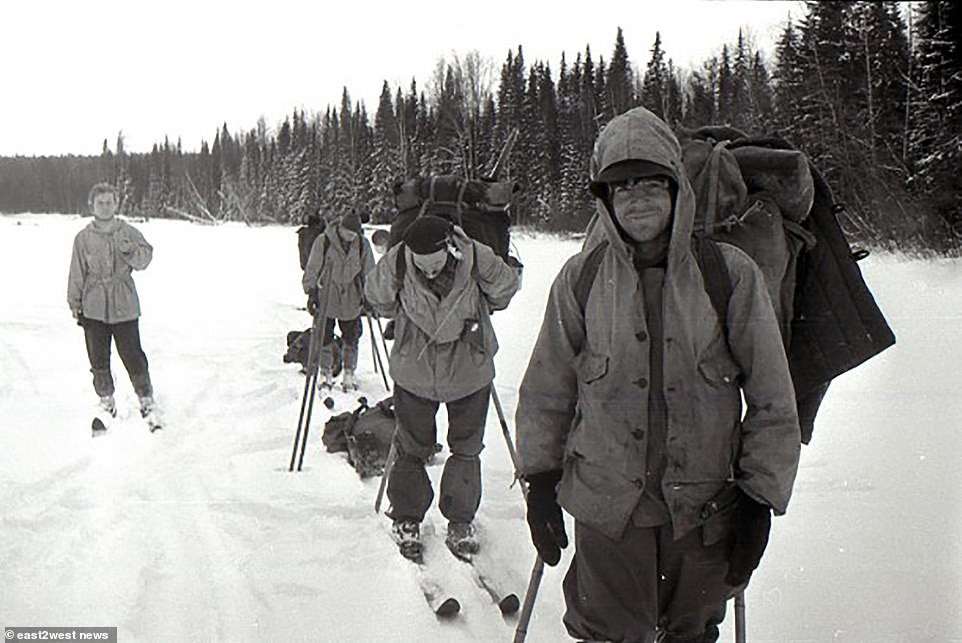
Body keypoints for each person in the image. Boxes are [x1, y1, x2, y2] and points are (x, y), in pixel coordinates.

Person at [515, 107, 801, 643]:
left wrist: (760, 500)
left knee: (691, 634)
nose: (638, 199)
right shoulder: (581, 278)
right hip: (607, 511)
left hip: (703, 511)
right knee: (606, 634)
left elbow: (771, 397)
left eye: (651, 183)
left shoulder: (729, 273)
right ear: (605, 201)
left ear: (676, 189)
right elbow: (547, 390)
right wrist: (541, 481)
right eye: (622, 188)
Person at [364, 215, 520, 560]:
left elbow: (505, 290)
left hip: (468, 370)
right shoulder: (399, 260)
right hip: (415, 372)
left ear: (450, 247)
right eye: (423, 267)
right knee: (411, 446)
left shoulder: (476, 256)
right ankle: (407, 516)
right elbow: (378, 297)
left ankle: (460, 520)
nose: (431, 273)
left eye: (436, 266)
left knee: (466, 448)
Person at [67, 182, 159, 427]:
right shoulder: (83, 238)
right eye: (100, 202)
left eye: (109, 202)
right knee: (98, 357)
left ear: (116, 204)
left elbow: (145, 259)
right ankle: (106, 400)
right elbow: (76, 273)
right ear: (92, 205)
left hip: (124, 304)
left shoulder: (127, 231)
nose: (105, 206)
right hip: (93, 305)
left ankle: (146, 398)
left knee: (132, 354)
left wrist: (130, 252)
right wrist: (75, 303)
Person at [302, 210, 375, 391]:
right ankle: (325, 371)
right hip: (327, 294)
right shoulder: (324, 241)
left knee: (352, 337)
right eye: (348, 233)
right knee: (324, 336)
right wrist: (311, 292)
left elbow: (369, 271)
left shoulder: (362, 245)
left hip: (352, 296)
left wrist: (370, 296)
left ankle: (349, 372)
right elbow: (312, 267)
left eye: (354, 234)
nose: (351, 237)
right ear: (340, 228)